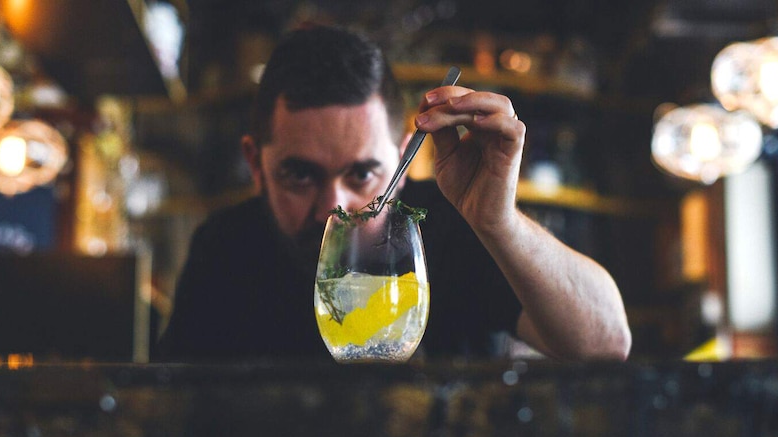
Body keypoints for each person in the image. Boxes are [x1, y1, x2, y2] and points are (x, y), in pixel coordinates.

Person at [157, 25, 631, 362]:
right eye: (299, 176)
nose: (333, 209)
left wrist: (498, 222)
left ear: (403, 162)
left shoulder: (456, 224)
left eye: (362, 174)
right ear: (256, 166)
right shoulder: (224, 247)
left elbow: (607, 345)